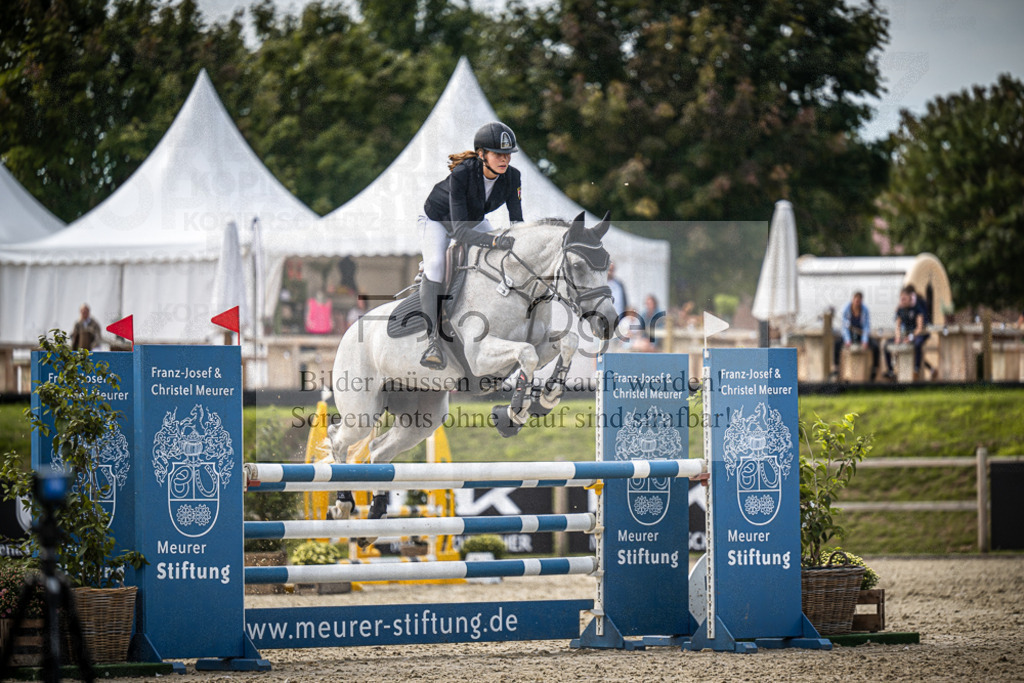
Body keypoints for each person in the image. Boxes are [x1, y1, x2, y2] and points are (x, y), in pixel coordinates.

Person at [418, 121, 523, 370]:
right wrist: (496, 240)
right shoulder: (462, 173)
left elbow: (517, 222)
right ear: (481, 154)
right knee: (434, 265)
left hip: (472, 221)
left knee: (501, 257)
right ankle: (432, 341)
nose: (504, 159)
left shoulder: (513, 177)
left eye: (507, 154)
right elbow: (461, 232)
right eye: (498, 153)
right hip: (436, 220)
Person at [883, 288, 929, 380]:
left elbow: (919, 328)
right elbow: (898, 326)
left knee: (918, 344)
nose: (902, 301)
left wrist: (910, 337)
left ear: (910, 298)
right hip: (905, 334)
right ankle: (891, 371)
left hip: (917, 334)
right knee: (886, 345)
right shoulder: (900, 309)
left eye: (904, 299)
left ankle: (916, 370)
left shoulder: (917, 308)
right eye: (901, 298)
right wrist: (898, 337)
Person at [833, 291, 880, 380]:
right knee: (837, 344)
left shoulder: (865, 310)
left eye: (859, 301)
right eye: (855, 300)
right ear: (852, 300)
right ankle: (836, 368)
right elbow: (844, 326)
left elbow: (866, 326)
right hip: (849, 334)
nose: (857, 303)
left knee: (875, 346)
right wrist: (847, 339)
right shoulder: (846, 309)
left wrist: (864, 340)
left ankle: (874, 370)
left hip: (860, 334)